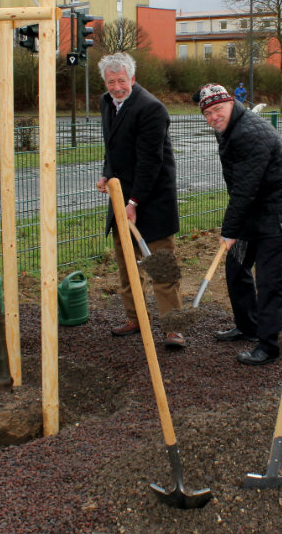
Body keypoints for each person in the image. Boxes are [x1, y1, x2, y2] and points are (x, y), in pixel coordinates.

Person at [195, 83, 282, 366]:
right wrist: (235, 230)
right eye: (207, 113)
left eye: (218, 109)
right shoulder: (230, 128)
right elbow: (244, 191)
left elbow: (244, 189)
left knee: (269, 282)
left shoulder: (248, 133)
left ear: (232, 103)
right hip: (253, 211)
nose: (213, 117)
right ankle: (248, 326)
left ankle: (268, 346)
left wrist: (230, 231)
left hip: (276, 214)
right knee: (236, 267)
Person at [96, 52, 186, 348]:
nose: (117, 87)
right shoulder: (106, 103)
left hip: (152, 200)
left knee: (160, 266)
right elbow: (112, 148)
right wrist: (106, 175)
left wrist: (134, 202)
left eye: (122, 80)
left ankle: (173, 328)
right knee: (127, 265)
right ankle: (135, 317)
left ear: (132, 79)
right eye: (111, 82)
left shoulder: (151, 109)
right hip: (123, 199)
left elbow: (151, 161)